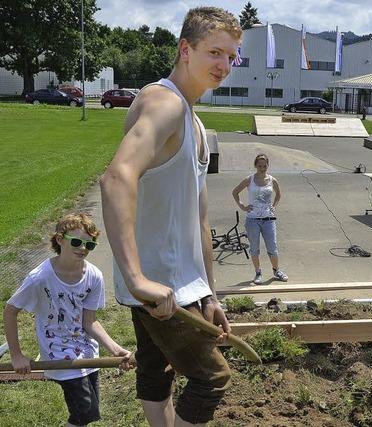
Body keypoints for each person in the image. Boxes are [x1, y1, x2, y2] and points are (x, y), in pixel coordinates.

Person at [99, 7, 242, 426]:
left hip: (180, 285)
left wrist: (210, 294)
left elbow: (198, 218)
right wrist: (138, 279)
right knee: (211, 378)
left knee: (155, 370)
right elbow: (117, 178)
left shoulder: (193, 120)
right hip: (160, 286)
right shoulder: (164, 103)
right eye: (215, 52)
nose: (224, 66)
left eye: (232, 57)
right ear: (185, 49)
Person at [3, 213, 132, 427]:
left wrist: (114, 348)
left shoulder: (94, 276)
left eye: (89, 244)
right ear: (60, 239)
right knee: (84, 411)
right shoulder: (40, 277)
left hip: (87, 352)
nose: (83, 248)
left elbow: (89, 321)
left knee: (89, 412)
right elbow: (10, 311)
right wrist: (16, 355)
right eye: (76, 241)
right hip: (58, 352)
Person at [232, 154, 288, 284]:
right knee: (254, 248)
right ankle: (258, 272)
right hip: (252, 220)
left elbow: (278, 194)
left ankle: (276, 270)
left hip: (269, 219)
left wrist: (274, 206)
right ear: (255, 166)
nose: (262, 168)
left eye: (264, 166)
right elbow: (235, 192)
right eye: (259, 166)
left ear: (268, 165)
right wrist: (242, 206)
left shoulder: (272, 180)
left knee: (272, 247)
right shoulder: (249, 180)